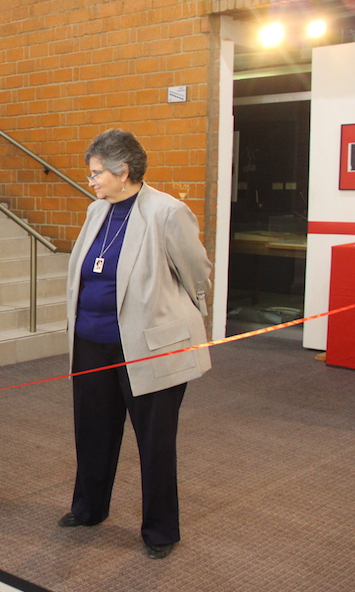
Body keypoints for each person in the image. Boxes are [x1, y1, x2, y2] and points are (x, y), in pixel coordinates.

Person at [58, 128, 212, 559]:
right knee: (92, 432)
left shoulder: (167, 212)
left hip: (147, 346)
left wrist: (177, 317)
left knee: (155, 441)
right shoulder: (96, 211)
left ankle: (160, 530)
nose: (91, 181)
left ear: (122, 171)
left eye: (96, 173)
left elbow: (197, 272)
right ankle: (89, 508)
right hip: (91, 343)